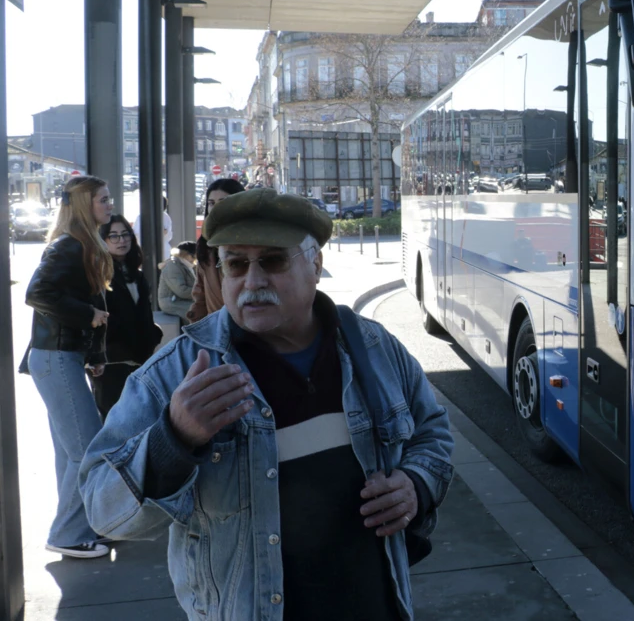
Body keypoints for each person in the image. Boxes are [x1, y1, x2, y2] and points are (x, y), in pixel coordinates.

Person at [81, 189, 454, 620]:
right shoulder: (177, 372)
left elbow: (432, 431)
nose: (252, 281)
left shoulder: (374, 348)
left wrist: (416, 485)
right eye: (236, 264)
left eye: (273, 261)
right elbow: (102, 509)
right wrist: (173, 438)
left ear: (315, 265)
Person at [23, 175, 114, 559]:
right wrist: (88, 314)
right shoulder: (68, 247)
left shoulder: (81, 244)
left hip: (62, 357)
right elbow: (37, 294)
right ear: (84, 206)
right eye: (103, 200)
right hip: (56, 358)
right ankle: (68, 533)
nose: (110, 205)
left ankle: (75, 529)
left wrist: (92, 355)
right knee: (88, 448)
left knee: (71, 450)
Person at [94, 214, 163, 420]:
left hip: (140, 357)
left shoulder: (137, 274)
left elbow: (143, 314)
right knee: (113, 417)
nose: (121, 240)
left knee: (138, 416)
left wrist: (153, 334)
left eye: (125, 235)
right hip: (112, 360)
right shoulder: (99, 273)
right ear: (103, 240)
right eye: (113, 236)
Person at [187, 178, 245, 323]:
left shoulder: (252, 242)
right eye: (211, 203)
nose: (216, 208)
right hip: (217, 331)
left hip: (251, 331)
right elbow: (200, 296)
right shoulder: (205, 246)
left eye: (223, 202)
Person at [158, 242, 198, 321]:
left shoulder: (188, 265)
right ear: (185, 254)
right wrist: (201, 293)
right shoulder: (172, 266)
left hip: (183, 300)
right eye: (194, 256)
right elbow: (181, 291)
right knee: (200, 312)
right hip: (172, 302)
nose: (195, 259)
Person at [134, 193, 173, 265]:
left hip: (152, 251)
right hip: (162, 251)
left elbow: (137, 234)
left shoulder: (142, 216)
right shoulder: (166, 217)